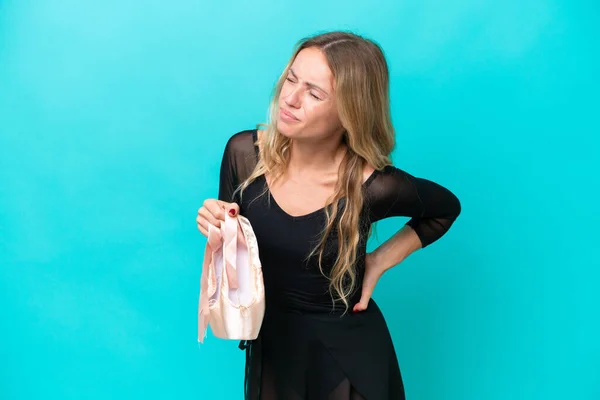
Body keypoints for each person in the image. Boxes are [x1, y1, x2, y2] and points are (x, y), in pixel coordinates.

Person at [196, 31, 461, 400]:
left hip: (347, 364)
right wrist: (216, 226)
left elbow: (445, 209)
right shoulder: (244, 154)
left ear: (349, 111)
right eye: (291, 79)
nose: (290, 99)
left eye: (314, 93)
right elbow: (236, 262)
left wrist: (379, 260)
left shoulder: (375, 186)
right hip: (272, 356)